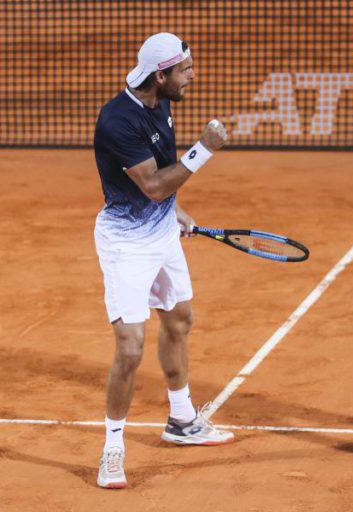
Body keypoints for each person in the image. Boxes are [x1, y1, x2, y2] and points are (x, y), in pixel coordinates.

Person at [93, 32, 234, 490]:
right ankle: (113, 448)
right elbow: (152, 186)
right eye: (185, 70)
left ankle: (182, 420)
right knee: (130, 347)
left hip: (161, 232)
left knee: (179, 320)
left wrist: (174, 212)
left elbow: (157, 184)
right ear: (161, 75)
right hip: (126, 244)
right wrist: (204, 149)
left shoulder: (159, 102)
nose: (192, 76)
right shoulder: (117, 121)